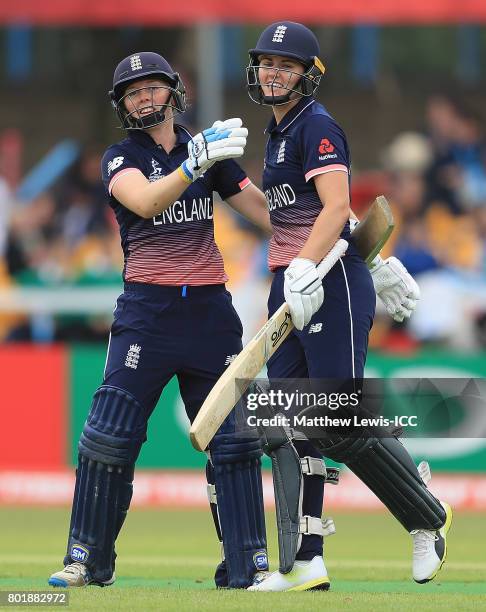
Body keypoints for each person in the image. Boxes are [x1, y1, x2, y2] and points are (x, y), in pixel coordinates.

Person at [48, 52, 272, 589]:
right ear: (122, 105)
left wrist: (334, 230)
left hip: (210, 314)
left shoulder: (208, 151)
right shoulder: (119, 157)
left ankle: (248, 566)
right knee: (109, 438)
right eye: (132, 92)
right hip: (148, 315)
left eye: (151, 87)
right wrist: (192, 164)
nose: (143, 98)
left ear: (173, 92)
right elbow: (146, 202)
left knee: (236, 440)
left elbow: (263, 212)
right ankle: (86, 560)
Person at [244, 22, 453, 591]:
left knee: (335, 420)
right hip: (295, 281)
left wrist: (315, 266)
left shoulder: (317, 125)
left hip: (327, 282)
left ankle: (425, 515)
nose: (273, 73)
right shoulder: (277, 129)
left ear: (308, 75)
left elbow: (336, 206)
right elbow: (302, 211)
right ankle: (304, 560)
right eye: (267, 63)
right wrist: (363, 255)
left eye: (286, 65)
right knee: (291, 424)